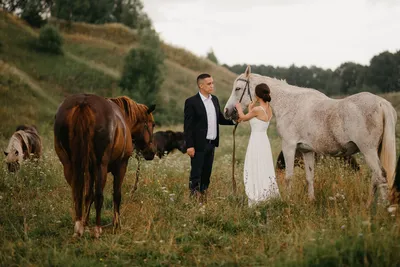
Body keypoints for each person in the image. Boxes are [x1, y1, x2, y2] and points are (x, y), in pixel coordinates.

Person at [184, 73, 235, 201]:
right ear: (201, 85)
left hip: (212, 144)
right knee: (196, 174)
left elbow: (220, 119)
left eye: (213, 83)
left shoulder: (215, 100)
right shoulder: (191, 102)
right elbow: (188, 126)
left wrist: (234, 121)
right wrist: (189, 146)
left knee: (207, 173)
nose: (212, 86)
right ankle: (194, 199)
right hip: (198, 145)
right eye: (209, 83)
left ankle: (203, 197)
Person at [235, 83, 280, 206]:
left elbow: (243, 118)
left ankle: (257, 196)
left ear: (256, 94)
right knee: (263, 166)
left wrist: (239, 108)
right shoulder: (269, 109)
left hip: (256, 141)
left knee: (255, 165)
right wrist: (251, 108)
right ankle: (267, 194)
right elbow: (254, 119)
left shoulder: (257, 110)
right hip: (263, 141)